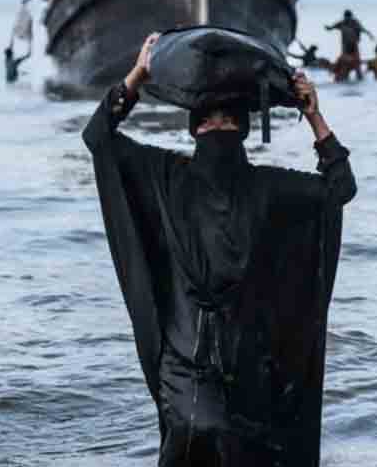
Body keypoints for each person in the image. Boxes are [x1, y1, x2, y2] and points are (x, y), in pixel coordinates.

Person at [83, 33, 356, 465]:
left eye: (228, 122)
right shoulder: (167, 174)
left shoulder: (266, 187)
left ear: (243, 130)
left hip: (247, 368)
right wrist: (138, 73)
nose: (218, 129)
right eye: (210, 122)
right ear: (195, 130)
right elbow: (98, 137)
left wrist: (314, 115)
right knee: (203, 435)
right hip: (188, 365)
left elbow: (340, 189)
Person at [326, 9, 375, 82]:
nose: (347, 18)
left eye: (348, 17)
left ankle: (360, 78)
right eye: (346, 17)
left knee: (356, 64)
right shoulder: (342, 23)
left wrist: (370, 35)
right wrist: (328, 28)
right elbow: (331, 27)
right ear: (344, 17)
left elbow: (363, 29)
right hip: (345, 47)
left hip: (354, 46)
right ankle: (342, 77)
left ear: (351, 16)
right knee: (344, 63)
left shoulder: (355, 23)